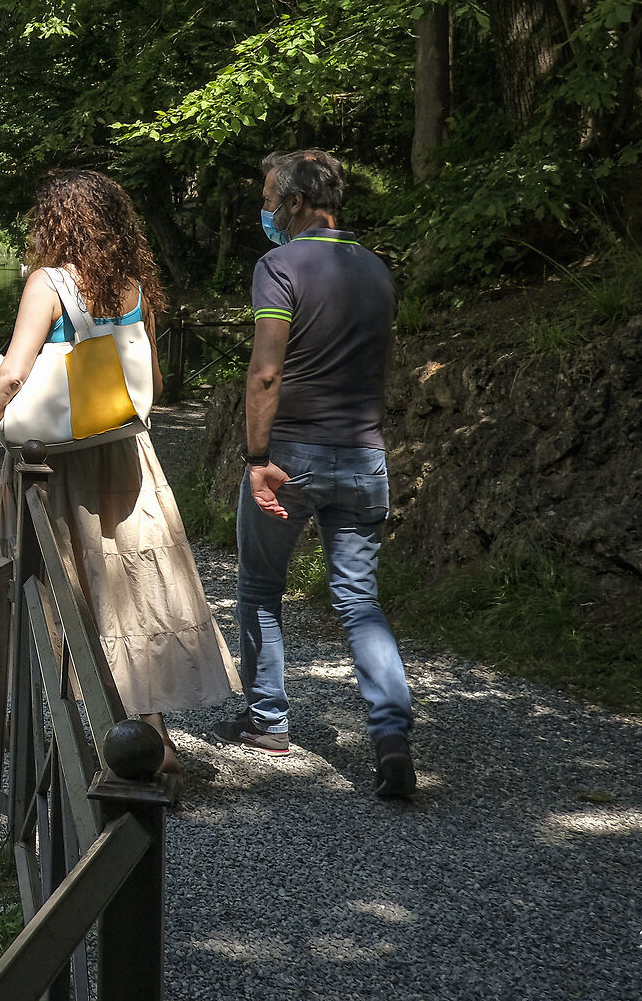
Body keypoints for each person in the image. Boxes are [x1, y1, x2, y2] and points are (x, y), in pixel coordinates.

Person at [0, 170, 237, 777]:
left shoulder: (49, 283)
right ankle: (154, 736)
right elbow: (155, 383)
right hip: (123, 455)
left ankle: (13, 717)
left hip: (52, 463)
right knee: (126, 588)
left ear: (56, 222)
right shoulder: (135, 288)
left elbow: (12, 376)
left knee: (34, 578)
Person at [225, 149, 416, 799]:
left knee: (260, 586)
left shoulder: (278, 267)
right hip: (363, 455)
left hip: (291, 455)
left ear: (296, 202)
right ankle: (391, 736)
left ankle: (267, 721)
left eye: (268, 198)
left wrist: (257, 460)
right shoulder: (376, 269)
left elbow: (266, 370)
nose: (265, 209)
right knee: (360, 600)